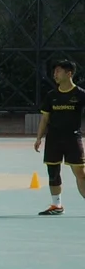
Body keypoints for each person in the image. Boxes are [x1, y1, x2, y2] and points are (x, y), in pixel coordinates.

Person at [34, 59, 84, 216]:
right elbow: (45, 118)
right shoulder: (51, 95)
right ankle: (57, 205)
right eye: (54, 71)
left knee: (80, 173)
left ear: (69, 74)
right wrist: (38, 138)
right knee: (53, 171)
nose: (54, 74)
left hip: (73, 138)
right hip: (54, 139)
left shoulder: (80, 94)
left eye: (58, 71)